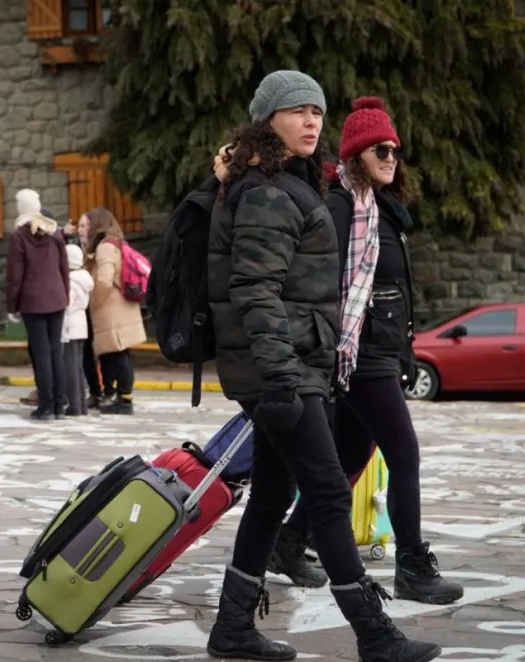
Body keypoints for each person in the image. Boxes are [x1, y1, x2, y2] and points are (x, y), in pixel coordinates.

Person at [204, 70, 439, 662]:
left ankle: (232, 628)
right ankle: (375, 635)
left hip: (292, 364)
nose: (311, 121)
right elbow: (255, 288)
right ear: (268, 120)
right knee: (331, 492)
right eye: (297, 111)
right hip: (282, 370)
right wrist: (280, 375)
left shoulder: (288, 181)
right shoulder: (266, 192)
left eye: (317, 111)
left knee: (272, 493)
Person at [274, 97, 463, 605]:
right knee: (404, 453)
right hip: (357, 354)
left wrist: (403, 350)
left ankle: (288, 541)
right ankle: (412, 566)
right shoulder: (342, 208)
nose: (391, 157)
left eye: (395, 150)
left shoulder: (378, 209)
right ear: (356, 154)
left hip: (378, 350)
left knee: (351, 454)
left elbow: (392, 292)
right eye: (381, 149)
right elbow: (322, 280)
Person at [79, 208, 146, 415]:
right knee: (116, 353)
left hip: (111, 308)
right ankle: (118, 395)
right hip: (119, 306)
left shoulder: (105, 247)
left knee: (118, 353)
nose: (82, 229)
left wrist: (95, 301)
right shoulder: (113, 243)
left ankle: (125, 399)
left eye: (86, 224)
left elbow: (104, 280)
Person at [7, 209, 70, 420]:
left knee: (41, 352)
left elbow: (15, 274)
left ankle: (46, 405)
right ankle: (59, 404)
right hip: (57, 296)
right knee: (55, 351)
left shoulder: (19, 236)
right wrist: (65, 295)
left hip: (32, 300)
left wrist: (12, 305)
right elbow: (64, 267)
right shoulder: (55, 233)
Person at [61, 243, 94, 415]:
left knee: (70, 367)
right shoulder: (84, 279)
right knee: (78, 366)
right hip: (81, 325)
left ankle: (74, 404)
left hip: (70, 326)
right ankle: (81, 403)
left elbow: (67, 304)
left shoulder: (71, 281)